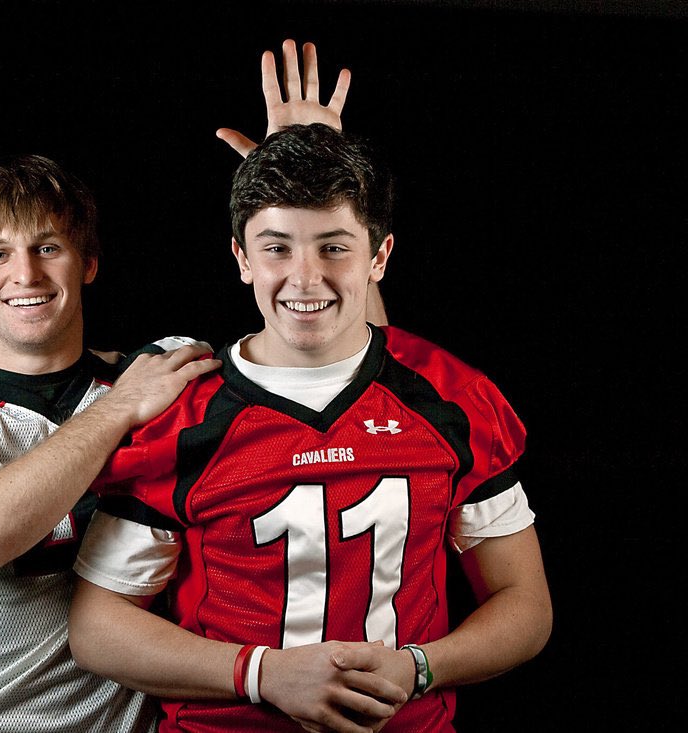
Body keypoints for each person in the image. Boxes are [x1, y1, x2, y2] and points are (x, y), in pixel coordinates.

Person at [0, 41, 394, 733]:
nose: (27, 275)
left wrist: (314, 192)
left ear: (88, 261)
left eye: (49, 246)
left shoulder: (164, 370)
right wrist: (120, 407)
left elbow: (351, 361)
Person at [68, 123, 553, 733]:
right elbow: (96, 627)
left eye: (333, 247)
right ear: (241, 258)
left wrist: (420, 667)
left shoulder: (448, 396)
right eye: (277, 248)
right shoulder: (184, 414)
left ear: (379, 256)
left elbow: (525, 605)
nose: (304, 277)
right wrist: (261, 673)